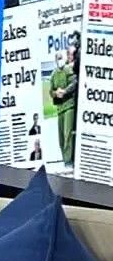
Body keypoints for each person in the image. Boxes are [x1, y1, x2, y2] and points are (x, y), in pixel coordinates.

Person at [52, 34, 81, 165]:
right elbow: (52, 90)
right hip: (62, 107)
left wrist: (64, 91)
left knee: (69, 133)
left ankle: (69, 159)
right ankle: (66, 159)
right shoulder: (59, 71)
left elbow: (74, 82)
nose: (69, 56)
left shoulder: (72, 68)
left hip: (71, 104)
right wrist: (55, 93)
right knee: (62, 136)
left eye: (71, 54)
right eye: (68, 54)